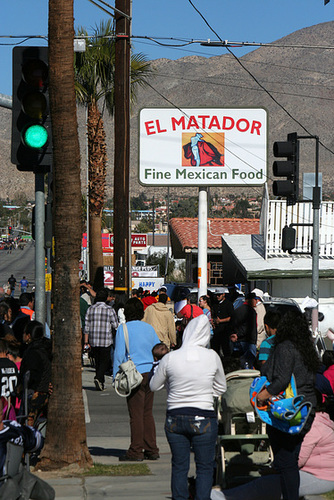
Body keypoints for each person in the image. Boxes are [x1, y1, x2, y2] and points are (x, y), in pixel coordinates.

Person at [150, 315, 227, 500]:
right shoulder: (212, 356)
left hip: (175, 417)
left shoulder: (170, 358)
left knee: (179, 465)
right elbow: (221, 387)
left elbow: (154, 385)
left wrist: (171, 385)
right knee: (205, 467)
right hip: (204, 418)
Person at [211, 393, 334, 500]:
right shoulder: (321, 420)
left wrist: (272, 469)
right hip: (318, 473)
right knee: (271, 482)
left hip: (321, 477)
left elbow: (297, 460)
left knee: (267, 484)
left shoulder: (314, 426)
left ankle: (218, 497)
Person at [256, 310, 319, 500]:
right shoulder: (306, 348)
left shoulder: (284, 347)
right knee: (291, 457)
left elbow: (280, 380)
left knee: (285, 461)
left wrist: (262, 396)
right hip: (306, 407)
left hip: (287, 410)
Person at [113, 297, 160, 462]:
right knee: (147, 413)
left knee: (136, 414)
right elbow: (158, 348)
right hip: (150, 373)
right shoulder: (149, 328)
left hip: (134, 374)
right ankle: (151, 448)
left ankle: (136, 450)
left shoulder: (123, 329)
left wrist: (115, 378)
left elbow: (119, 356)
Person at [84, 288, 118, 391]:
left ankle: (100, 382)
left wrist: (86, 342)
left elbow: (86, 327)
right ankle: (98, 378)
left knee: (97, 361)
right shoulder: (109, 310)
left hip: (93, 340)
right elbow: (115, 325)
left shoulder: (90, 309)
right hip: (106, 340)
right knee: (105, 361)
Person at [19, 321, 52, 427]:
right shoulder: (46, 349)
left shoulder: (32, 352)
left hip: (34, 393)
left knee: (27, 427)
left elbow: (30, 375)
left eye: (24, 333)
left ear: (28, 336)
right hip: (45, 393)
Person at [230, 292, 257, 368]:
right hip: (248, 341)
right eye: (254, 299)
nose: (256, 301)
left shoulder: (237, 310)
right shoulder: (251, 311)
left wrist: (233, 334)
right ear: (250, 300)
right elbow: (249, 327)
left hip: (237, 341)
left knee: (239, 362)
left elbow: (232, 324)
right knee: (248, 363)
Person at [211, 289, 234, 357]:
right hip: (216, 330)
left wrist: (221, 321)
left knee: (226, 349)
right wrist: (213, 321)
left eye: (219, 295)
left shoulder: (228, 304)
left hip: (225, 330)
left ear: (223, 294)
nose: (217, 297)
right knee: (215, 349)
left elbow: (231, 317)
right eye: (216, 295)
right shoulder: (215, 304)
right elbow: (213, 315)